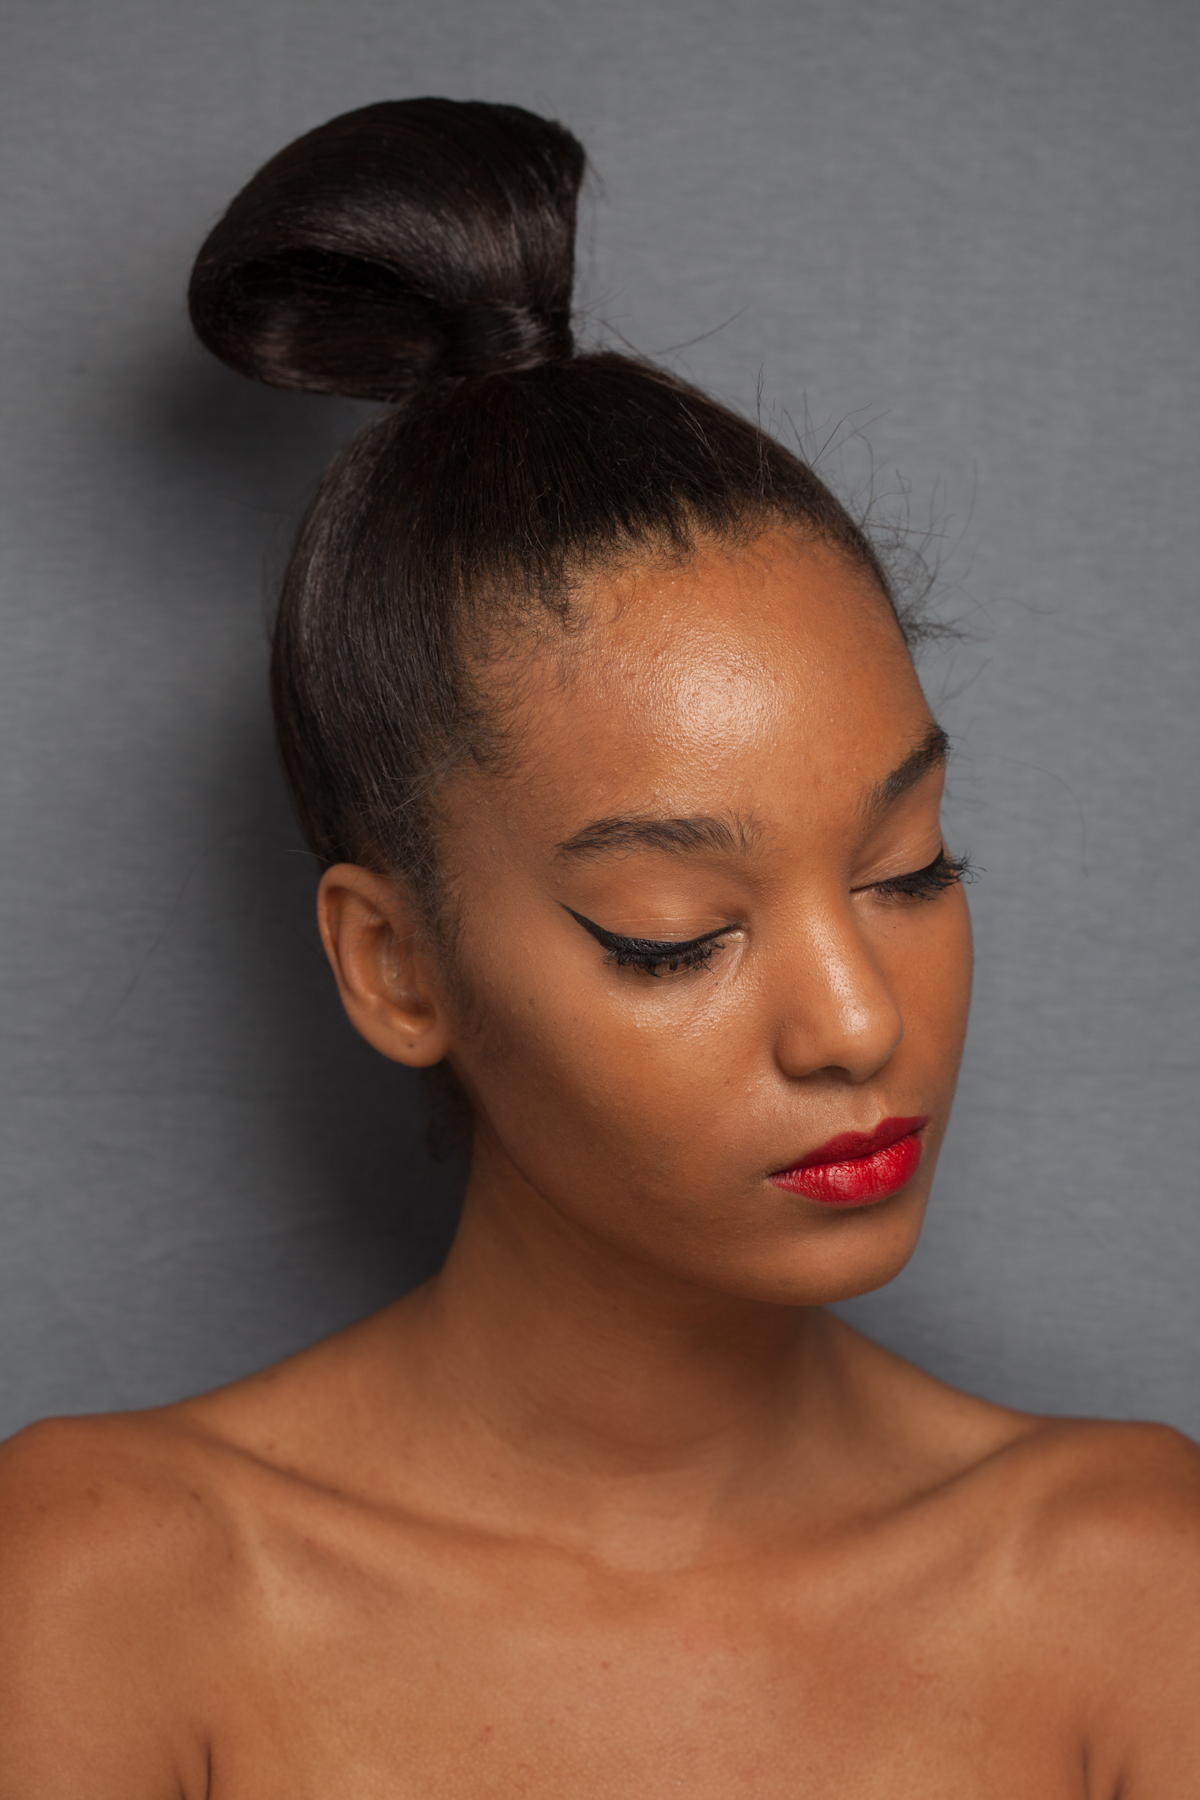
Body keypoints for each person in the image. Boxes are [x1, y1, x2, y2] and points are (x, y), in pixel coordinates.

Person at [0, 97, 1196, 1797]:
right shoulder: (105, 1591)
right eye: (674, 938)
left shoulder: (1140, 1587)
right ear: (395, 966)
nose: (857, 1023)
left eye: (908, 869)